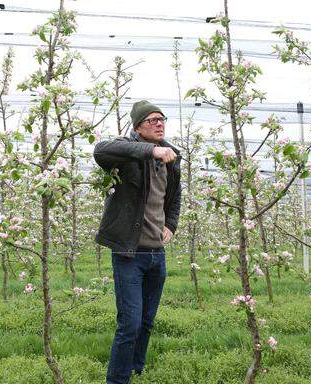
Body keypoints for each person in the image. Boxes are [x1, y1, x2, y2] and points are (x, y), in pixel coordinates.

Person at [93, 100, 181, 384]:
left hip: (157, 254)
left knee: (145, 322)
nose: (159, 124)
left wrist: (170, 225)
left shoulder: (170, 157)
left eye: (161, 119)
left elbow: (175, 196)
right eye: (152, 120)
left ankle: (136, 370)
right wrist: (151, 150)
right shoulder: (125, 154)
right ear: (138, 127)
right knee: (129, 324)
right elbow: (101, 150)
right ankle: (117, 380)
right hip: (129, 253)